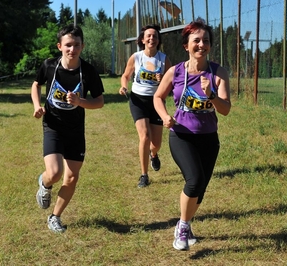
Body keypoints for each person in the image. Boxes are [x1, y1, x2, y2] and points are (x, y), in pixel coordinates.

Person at [153, 19, 231, 251]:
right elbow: (158, 97)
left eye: (205, 41)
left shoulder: (218, 73)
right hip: (182, 135)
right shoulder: (174, 71)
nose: (201, 45)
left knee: (201, 190)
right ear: (186, 45)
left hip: (208, 138)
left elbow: (225, 109)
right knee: (194, 180)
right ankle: (183, 227)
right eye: (196, 40)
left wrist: (211, 95)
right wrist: (165, 116)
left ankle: (184, 224)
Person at [31, 24, 105, 233]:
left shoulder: (88, 71)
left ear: (83, 46)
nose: (72, 49)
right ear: (59, 46)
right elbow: (36, 84)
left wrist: (80, 102)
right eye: (68, 45)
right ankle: (44, 184)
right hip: (53, 125)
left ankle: (55, 216)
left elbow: (99, 101)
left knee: (71, 177)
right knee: (54, 173)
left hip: (75, 130)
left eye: (77, 45)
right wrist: (37, 106)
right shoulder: (49, 66)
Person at [119, 24, 171, 188]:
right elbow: (126, 75)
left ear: (158, 40)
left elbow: (172, 82)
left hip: (156, 101)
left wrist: (161, 78)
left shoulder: (164, 59)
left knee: (156, 144)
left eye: (155, 36)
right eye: (148, 36)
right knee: (144, 136)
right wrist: (123, 86)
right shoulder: (136, 57)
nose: (151, 38)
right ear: (142, 39)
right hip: (138, 100)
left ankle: (153, 154)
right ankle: (144, 175)